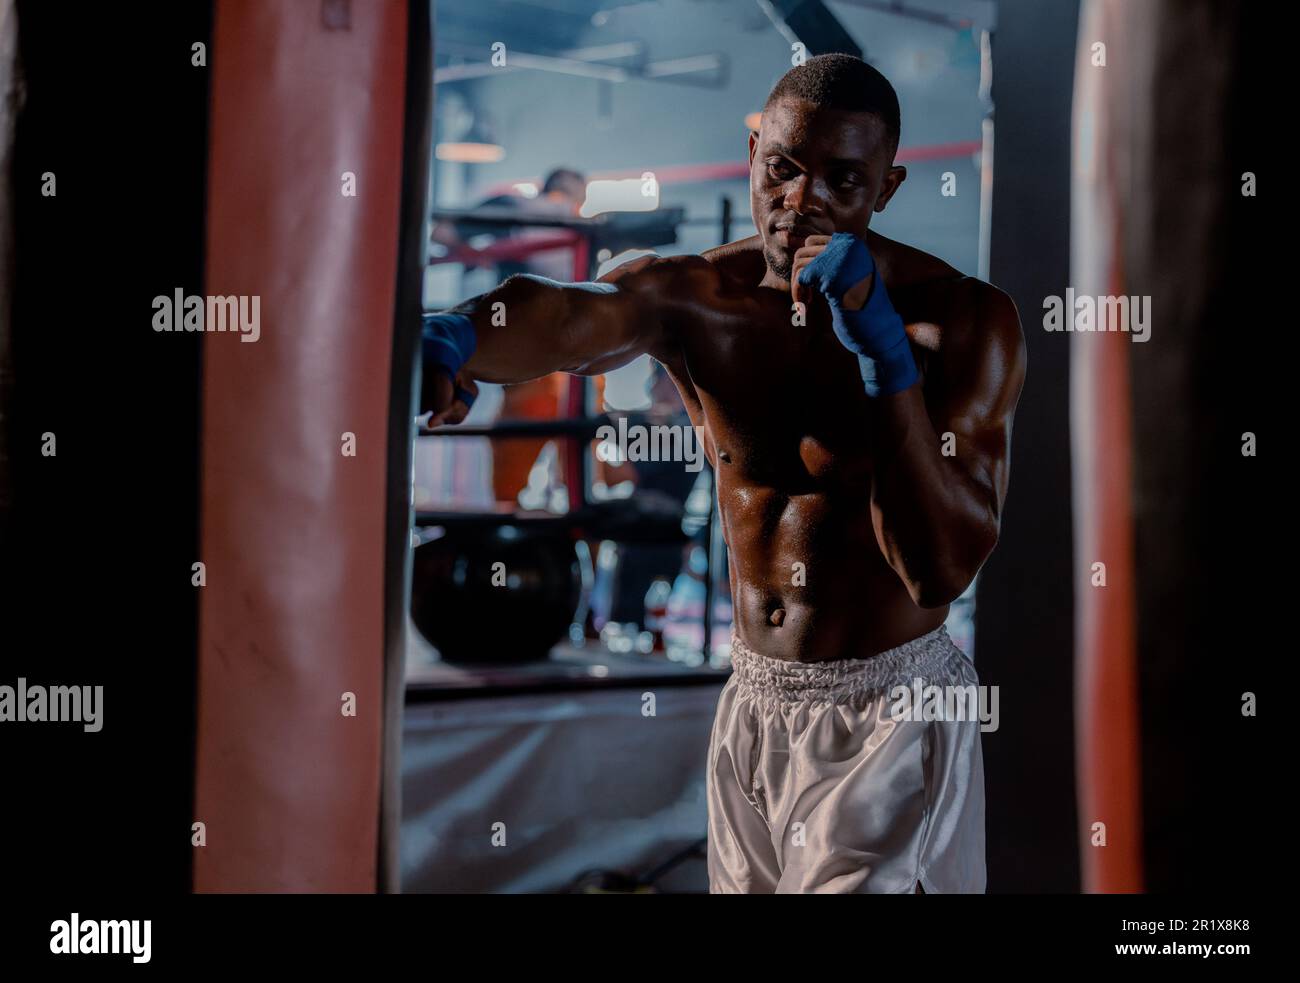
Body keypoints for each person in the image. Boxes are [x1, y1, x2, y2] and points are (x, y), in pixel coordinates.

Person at [421, 54, 1025, 893]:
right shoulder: (697, 296)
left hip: (889, 715)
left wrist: (886, 360)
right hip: (751, 703)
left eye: (842, 180)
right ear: (752, 153)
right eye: (781, 168)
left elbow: (940, 564)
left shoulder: (960, 320)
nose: (800, 202)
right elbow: (568, 313)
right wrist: (456, 335)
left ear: (886, 188)